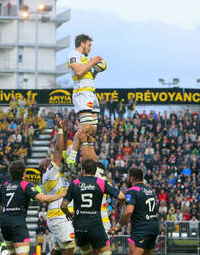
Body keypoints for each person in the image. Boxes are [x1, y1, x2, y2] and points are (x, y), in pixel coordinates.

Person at [0, 159, 67, 255]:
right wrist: (60, 195)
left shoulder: (5, 185)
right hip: (17, 223)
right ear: (23, 173)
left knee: (13, 253)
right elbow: (42, 198)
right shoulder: (24, 184)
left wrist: (0, 216)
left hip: (4, 224)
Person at [61, 159, 125, 255]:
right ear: (95, 171)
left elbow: (63, 206)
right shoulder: (101, 182)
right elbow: (121, 196)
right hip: (95, 225)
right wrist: (120, 203)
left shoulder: (74, 183)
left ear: (83, 170)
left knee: (86, 253)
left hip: (79, 226)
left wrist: (68, 214)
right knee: (106, 252)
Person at [65, 34, 103, 168]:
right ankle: (71, 156)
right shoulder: (73, 54)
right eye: (89, 45)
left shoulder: (85, 59)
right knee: (85, 126)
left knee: (92, 129)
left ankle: (81, 155)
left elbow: (87, 76)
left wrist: (96, 71)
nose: (90, 48)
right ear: (82, 44)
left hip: (91, 92)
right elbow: (79, 72)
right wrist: (92, 62)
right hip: (82, 93)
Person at [39, 116, 75, 255]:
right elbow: (58, 152)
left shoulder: (56, 174)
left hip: (60, 215)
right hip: (60, 216)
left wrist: (65, 133)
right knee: (69, 248)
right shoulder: (49, 174)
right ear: (44, 167)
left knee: (57, 250)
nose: (51, 160)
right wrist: (60, 129)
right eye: (48, 160)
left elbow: (62, 150)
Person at [111, 168, 160, 255]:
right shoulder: (150, 191)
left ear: (131, 178)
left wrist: (118, 226)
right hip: (154, 227)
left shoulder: (132, 191)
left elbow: (128, 211)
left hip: (141, 229)